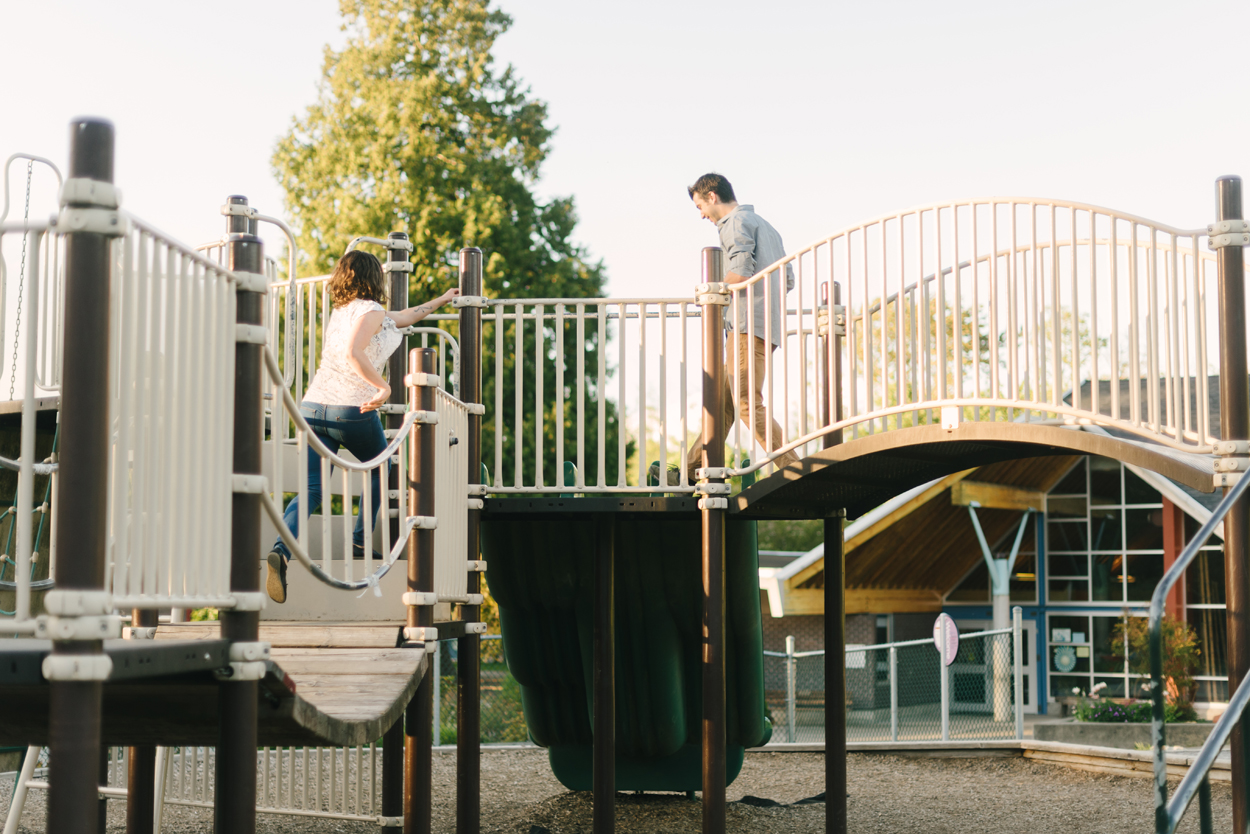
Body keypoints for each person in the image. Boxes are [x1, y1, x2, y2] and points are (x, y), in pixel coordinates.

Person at [266, 249, 460, 603]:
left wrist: (443, 300)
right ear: (375, 277)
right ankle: (359, 542)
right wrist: (382, 387)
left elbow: (406, 316)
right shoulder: (370, 311)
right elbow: (355, 353)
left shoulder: (345, 312)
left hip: (312, 408)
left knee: (312, 489)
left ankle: (281, 550)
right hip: (350, 409)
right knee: (382, 467)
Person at [674, 173, 799, 483]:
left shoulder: (734, 224)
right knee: (725, 407)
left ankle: (796, 469)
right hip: (765, 325)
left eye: (700, 205)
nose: (701, 214)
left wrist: (710, 292)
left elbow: (740, 271)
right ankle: (689, 473)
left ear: (712, 196)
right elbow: (788, 280)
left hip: (745, 326)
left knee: (744, 404)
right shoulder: (767, 227)